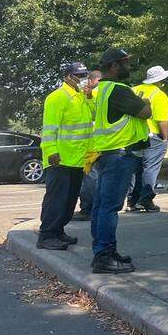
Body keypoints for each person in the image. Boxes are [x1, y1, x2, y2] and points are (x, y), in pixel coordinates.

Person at [89, 47, 152, 274]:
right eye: (125, 62)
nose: (128, 66)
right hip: (119, 155)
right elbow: (145, 112)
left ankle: (102, 251)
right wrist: (145, 102)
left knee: (101, 205)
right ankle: (104, 255)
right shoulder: (119, 90)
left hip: (107, 154)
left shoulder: (101, 90)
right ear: (114, 66)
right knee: (110, 207)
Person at [37, 62, 93, 250]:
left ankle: (58, 231)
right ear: (68, 77)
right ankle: (46, 236)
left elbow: (93, 116)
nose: (84, 78)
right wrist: (51, 151)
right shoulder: (57, 97)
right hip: (59, 159)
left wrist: (90, 96)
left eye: (85, 74)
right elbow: (49, 128)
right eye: (80, 75)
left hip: (77, 160)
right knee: (56, 199)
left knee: (69, 200)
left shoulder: (81, 98)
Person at [127, 65, 168, 213]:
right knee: (150, 168)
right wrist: (166, 138)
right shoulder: (159, 95)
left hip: (134, 136)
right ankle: (146, 199)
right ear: (161, 79)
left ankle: (132, 201)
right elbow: (162, 120)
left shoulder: (133, 90)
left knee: (136, 169)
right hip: (152, 136)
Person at [72, 69, 102, 222]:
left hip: (90, 145)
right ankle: (89, 208)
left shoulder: (93, 95)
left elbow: (95, 114)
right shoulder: (87, 95)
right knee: (91, 179)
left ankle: (88, 209)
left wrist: (89, 95)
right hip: (92, 145)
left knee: (89, 180)